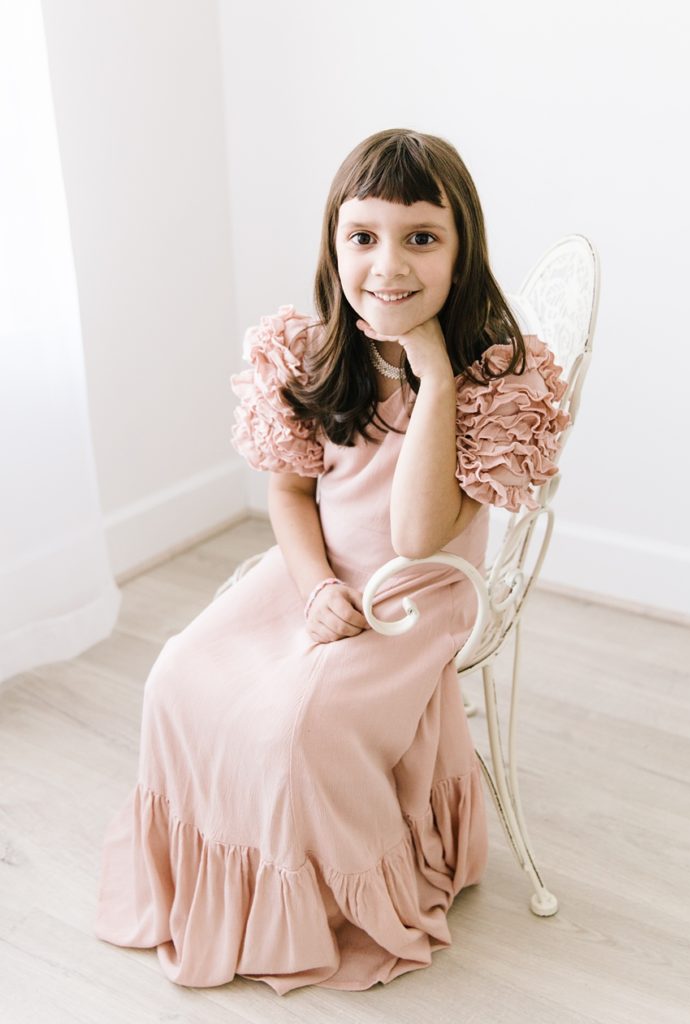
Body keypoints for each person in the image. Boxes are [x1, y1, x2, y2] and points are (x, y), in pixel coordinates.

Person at [94, 128, 570, 995]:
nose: (388, 264)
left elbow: (421, 535)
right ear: (334, 246)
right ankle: (212, 887)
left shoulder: (494, 377)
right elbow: (289, 497)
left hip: (419, 591)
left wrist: (428, 367)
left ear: (462, 252)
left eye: (420, 237)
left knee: (295, 725)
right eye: (364, 237)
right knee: (175, 675)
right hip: (316, 568)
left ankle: (321, 898)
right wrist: (313, 586)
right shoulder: (311, 353)